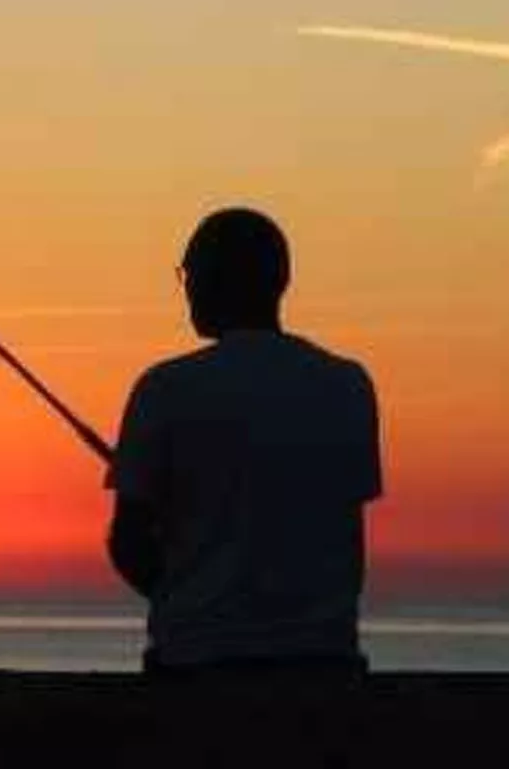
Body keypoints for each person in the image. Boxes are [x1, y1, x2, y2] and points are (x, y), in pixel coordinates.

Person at [106, 207, 383, 675]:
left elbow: (129, 543)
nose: (186, 289)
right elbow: (337, 527)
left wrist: (193, 594)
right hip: (325, 664)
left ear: (210, 281)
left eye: (188, 274)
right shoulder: (348, 385)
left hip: (199, 662)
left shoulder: (165, 388)